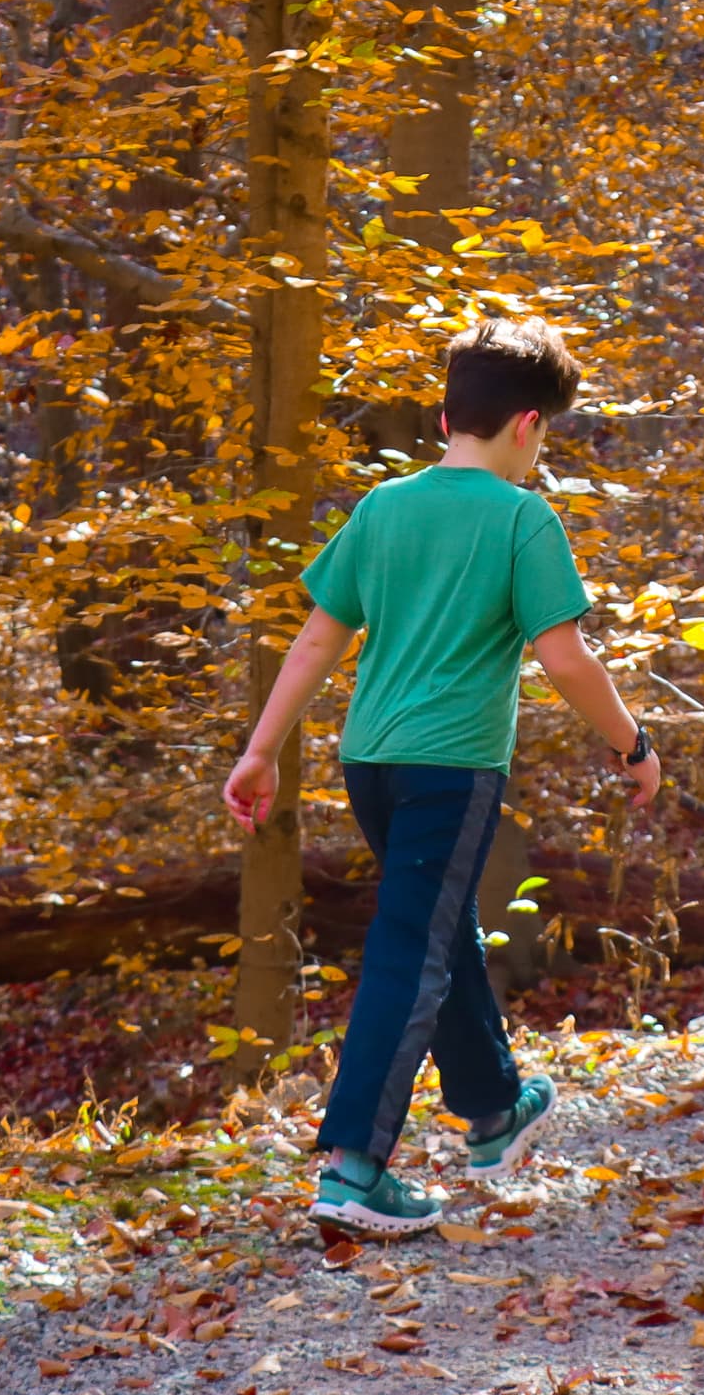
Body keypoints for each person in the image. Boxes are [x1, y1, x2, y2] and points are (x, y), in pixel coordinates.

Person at [224, 317, 665, 1236]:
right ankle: (353, 1170)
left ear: (443, 418)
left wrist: (262, 749)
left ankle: (495, 1110)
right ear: (530, 426)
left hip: (369, 763)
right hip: (450, 768)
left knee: (436, 925)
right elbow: (566, 657)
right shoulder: (520, 516)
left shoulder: (383, 507)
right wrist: (633, 744)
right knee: (410, 948)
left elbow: (316, 637)